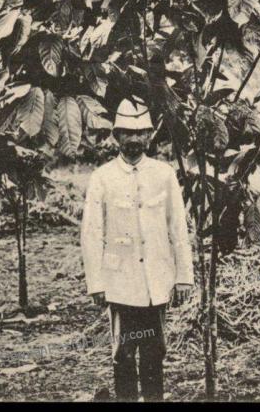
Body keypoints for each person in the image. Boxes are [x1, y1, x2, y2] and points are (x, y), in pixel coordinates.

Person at [80, 98, 194, 402]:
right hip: (120, 283)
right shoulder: (102, 178)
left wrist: (183, 276)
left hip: (156, 278)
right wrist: (97, 283)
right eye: (127, 133)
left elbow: (178, 228)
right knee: (125, 352)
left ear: (150, 135)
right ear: (116, 136)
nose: (134, 139)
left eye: (140, 132)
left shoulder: (164, 174)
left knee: (155, 349)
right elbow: (91, 234)